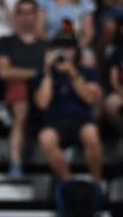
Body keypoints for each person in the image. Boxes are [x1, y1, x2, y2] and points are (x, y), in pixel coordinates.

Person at [34, 25, 103, 185]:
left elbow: (90, 98)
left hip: (82, 119)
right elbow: (43, 103)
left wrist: (72, 73)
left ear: (76, 50)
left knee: (91, 134)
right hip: (55, 121)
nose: (64, 52)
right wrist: (48, 72)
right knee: (46, 138)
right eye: (60, 47)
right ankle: (69, 183)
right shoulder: (43, 74)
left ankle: (97, 183)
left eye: (68, 47)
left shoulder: (87, 72)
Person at [0, 0, 46, 179]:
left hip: (44, 91)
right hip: (15, 91)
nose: (26, 17)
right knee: (21, 110)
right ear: (15, 16)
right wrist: (36, 73)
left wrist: (34, 75)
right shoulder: (6, 42)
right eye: (21, 12)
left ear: (36, 15)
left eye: (30, 12)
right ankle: (15, 162)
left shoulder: (45, 45)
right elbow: (4, 72)